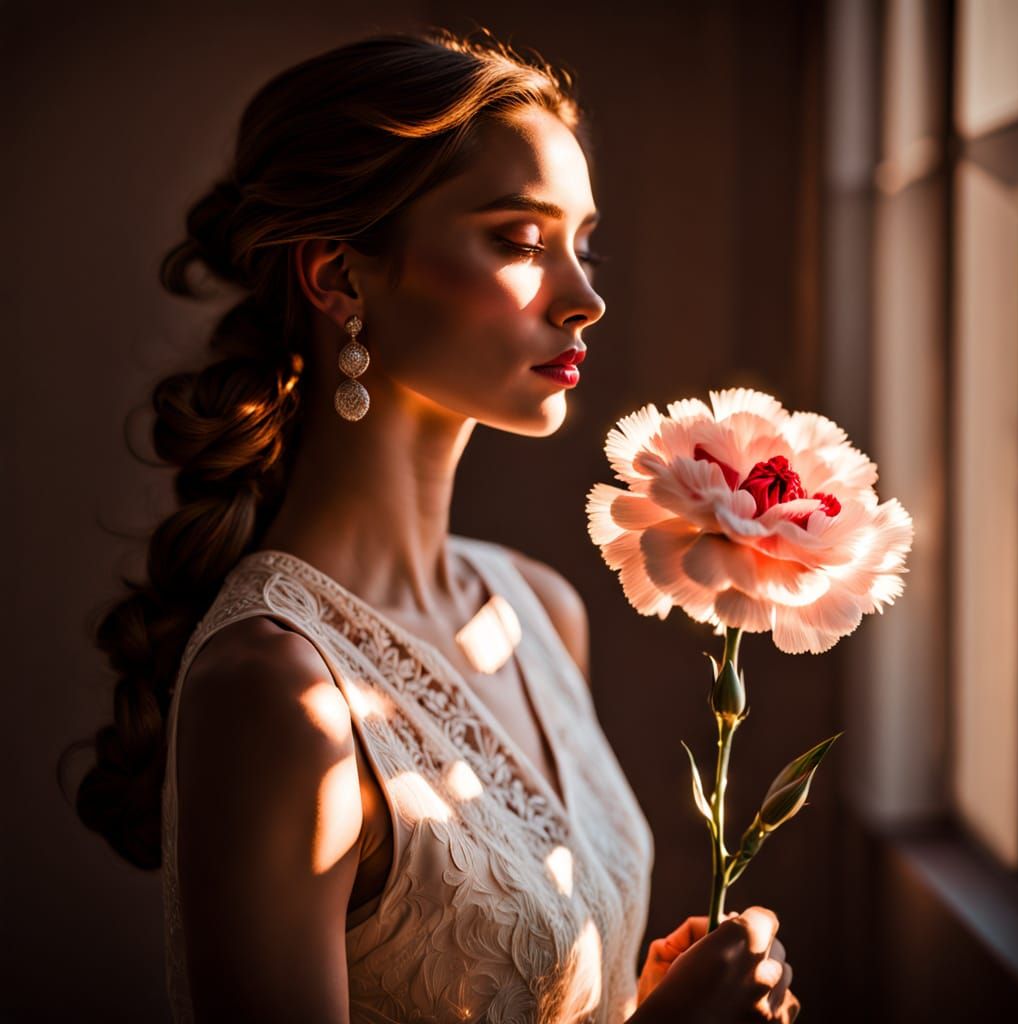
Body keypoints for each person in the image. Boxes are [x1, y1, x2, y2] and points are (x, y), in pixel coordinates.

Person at [73, 27, 801, 1023]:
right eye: (517, 238)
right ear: (337, 276)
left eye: (582, 244)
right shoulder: (278, 690)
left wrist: (643, 1002)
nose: (584, 298)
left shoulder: (538, 611)